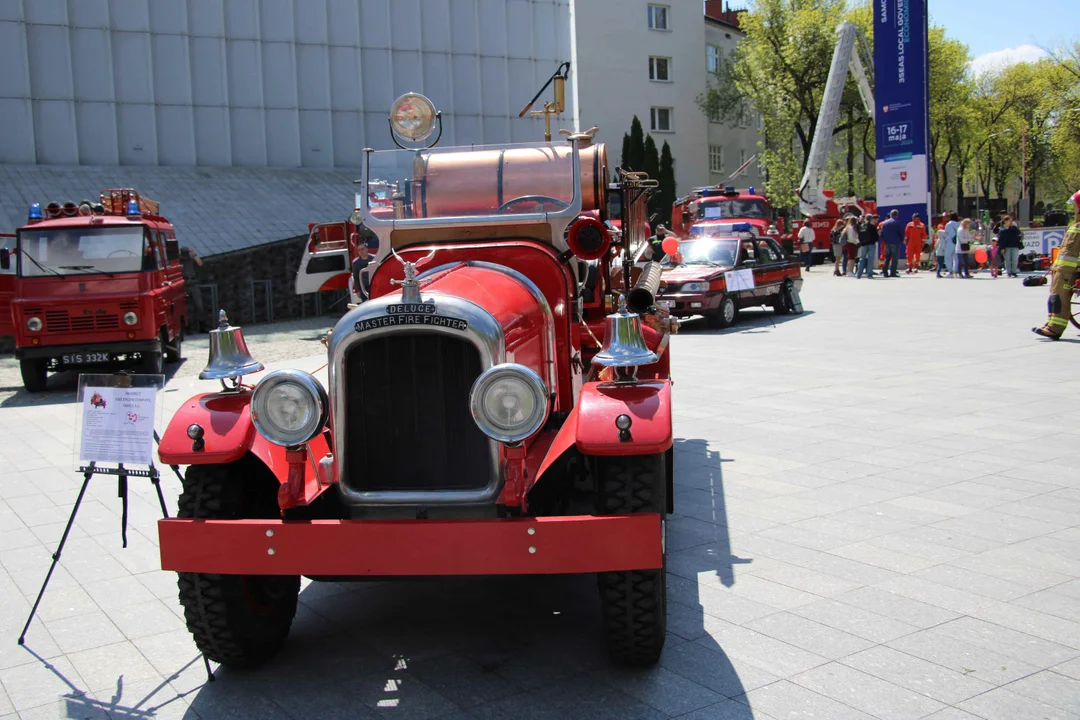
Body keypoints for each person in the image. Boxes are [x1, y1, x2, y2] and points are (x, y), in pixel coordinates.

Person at [1033, 190, 1080, 339]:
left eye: (1076, 205)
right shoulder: (1076, 225)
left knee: (1059, 299)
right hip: (1062, 270)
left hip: (1069, 271)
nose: (1074, 208)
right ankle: (1051, 323)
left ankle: (1055, 328)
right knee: (1055, 298)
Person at [180, 247, 207, 332]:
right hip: (184, 284)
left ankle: (202, 326)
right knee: (187, 307)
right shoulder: (178, 261)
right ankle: (188, 327)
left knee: (199, 305)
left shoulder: (191, 260)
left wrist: (193, 253)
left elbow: (200, 264)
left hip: (193, 283)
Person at [878, 209, 904, 277]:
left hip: (887, 242)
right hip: (895, 242)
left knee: (887, 258)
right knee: (894, 258)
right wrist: (901, 239)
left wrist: (884, 240)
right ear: (897, 215)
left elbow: (882, 233)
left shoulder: (885, 223)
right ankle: (893, 272)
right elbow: (901, 232)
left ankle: (885, 272)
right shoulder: (897, 222)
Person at [856, 214, 878, 279]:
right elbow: (876, 237)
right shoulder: (873, 227)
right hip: (871, 244)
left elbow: (859, 236)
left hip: (863, 245)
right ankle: (869, 274)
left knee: (862, 259)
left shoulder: (862, 226)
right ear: (871, 219)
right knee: (870, 259)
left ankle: (858, 274)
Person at [943, 212, 960, 278]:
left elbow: (947, 233)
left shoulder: (948, 224)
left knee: (948, 256)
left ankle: (950, 270)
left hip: (950, 241)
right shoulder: (959, 224)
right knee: (956, 257)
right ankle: (955, 270)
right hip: (957, 242)